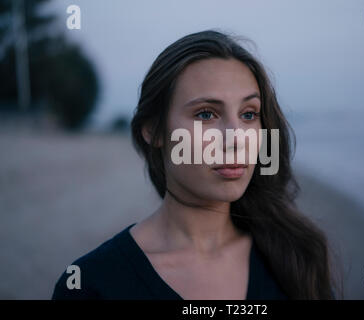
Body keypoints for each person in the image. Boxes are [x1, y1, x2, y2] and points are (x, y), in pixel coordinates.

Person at [52, 29, 337, 300]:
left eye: (249, 114)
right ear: (154, 130)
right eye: (205, 114)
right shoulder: (91, 285)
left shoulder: (297, 258)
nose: (235, 139)